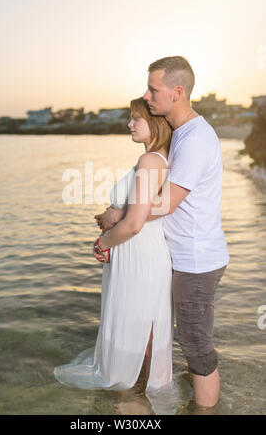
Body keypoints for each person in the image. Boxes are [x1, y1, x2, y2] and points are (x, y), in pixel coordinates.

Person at [95, 56, 229, 409]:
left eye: (153, 89)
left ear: (177, 92)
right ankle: (168, 394)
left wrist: (119, 216)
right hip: (180, 255)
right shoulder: (181, 136)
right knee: (179, 338)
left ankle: (204, 411)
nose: (147, 95)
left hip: (195, 260)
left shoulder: (196, 138)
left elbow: (166, 203)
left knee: (197, 347)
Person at [54, 97, 174, 396]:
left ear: (155, 122)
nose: (129, 124)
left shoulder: (151, 161)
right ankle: (142, 390)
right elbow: (139, 211)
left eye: (136, 119)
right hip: (138, 251)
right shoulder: (154, 159)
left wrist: (102, 243)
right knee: (142, 325)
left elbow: (134, 223)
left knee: (140, 325)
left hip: (140, 254)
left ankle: (137, 393)